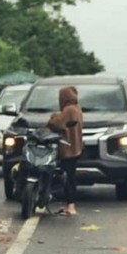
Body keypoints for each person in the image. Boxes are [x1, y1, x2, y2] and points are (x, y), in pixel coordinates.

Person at [47, 86, 83, 216]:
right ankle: (69, 205)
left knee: (68, 178)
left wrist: (53, 117)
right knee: (71, 177)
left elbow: (55, 124)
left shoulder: (69, 110)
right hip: (76, 148)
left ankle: (70, 206)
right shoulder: (77, 108)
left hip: (68, 149)